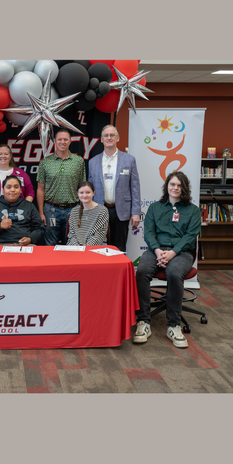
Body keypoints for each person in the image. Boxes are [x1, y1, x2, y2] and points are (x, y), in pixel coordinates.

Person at [133, 171, 201, 349]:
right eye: (172, 184)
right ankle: (144, 322)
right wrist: (157, 251)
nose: (175, 188)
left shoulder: (193, 211)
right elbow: (148, 232)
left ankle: (173, 325)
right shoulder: (155, 208)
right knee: (141, 273)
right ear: (167, 186)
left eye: (179, 185)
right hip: (157, 250)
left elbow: (190, 235)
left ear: (184, 188)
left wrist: (172, 252)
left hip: (182, 252)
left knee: (174, 273)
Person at [88, 125, 140, 252]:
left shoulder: (129, 160)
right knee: (99, 246)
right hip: (99, 210)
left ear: (118, 138)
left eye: (112, 135)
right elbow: (89, 190)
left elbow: (135, 188)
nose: (109, 138)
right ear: (101, 139)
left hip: (121, 211)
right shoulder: (93, 162)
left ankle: (118, 271)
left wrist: (136, 212)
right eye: (106, 135)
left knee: (119, 247)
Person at [36, 129, 86, 246]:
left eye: (65, 139)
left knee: (72, 244)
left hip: (73, 209)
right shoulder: (45, 162)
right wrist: (41, 213)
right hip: (51, 210)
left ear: (70, 142)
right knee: (50, 245)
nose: (62, 142)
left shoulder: (79, 162)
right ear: (54, 141)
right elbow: (40, 189)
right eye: (59, 139)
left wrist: (82, 210)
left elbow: (83, 188)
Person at [0, 176, 45, 246]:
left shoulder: (29, 206)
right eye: (8, 187)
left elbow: (39, 228)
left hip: (25, 245)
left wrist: (30, 239)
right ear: (3, 190)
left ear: (20, 190)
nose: (12, 190)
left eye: (16, 187)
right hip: (0, 245)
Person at [67, 182, 109, 246]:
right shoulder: (74, 211)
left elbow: (99, 235)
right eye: (81, 193)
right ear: (77, 194)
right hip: (75, 247)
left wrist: (85, 249)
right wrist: (78, 248)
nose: (84, 195)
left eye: (88, 192)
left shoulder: (102, 211)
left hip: (96, 245)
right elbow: (71, 234)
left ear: (93, 193)